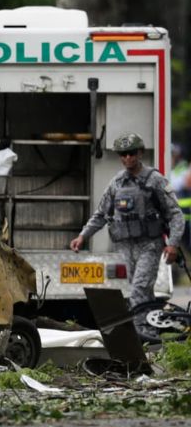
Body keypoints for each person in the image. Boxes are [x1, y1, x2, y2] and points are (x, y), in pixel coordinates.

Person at [70, 133, 183, 330]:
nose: (127, 158)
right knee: (139, 291)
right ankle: (150, 332)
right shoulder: (117, 183)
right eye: (123, 155)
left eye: (131, 153)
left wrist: (173, 244)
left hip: (149, 244)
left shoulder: (154, 180)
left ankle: (140, 334)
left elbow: (175, 214)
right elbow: (101, 214)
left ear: (140, 153)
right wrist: (83, 236)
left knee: (140, 287)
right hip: (124, 245)